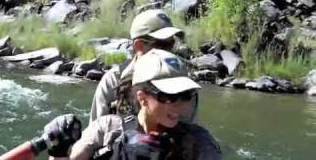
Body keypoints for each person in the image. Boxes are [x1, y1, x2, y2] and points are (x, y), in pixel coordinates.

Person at [50, 49, 221, 160]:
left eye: (185, 95)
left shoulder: (199, 142)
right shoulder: (107, 129)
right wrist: (58, 151)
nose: (180, 105)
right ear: (143, 98)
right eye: (169, 97)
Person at [90, 9, 197, 123]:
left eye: (171, 44)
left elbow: (190, 128)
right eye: (163, 45)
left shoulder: (183, 81)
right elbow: (95, 131)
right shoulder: (113, 80)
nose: (168, 51)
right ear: (139, 45)